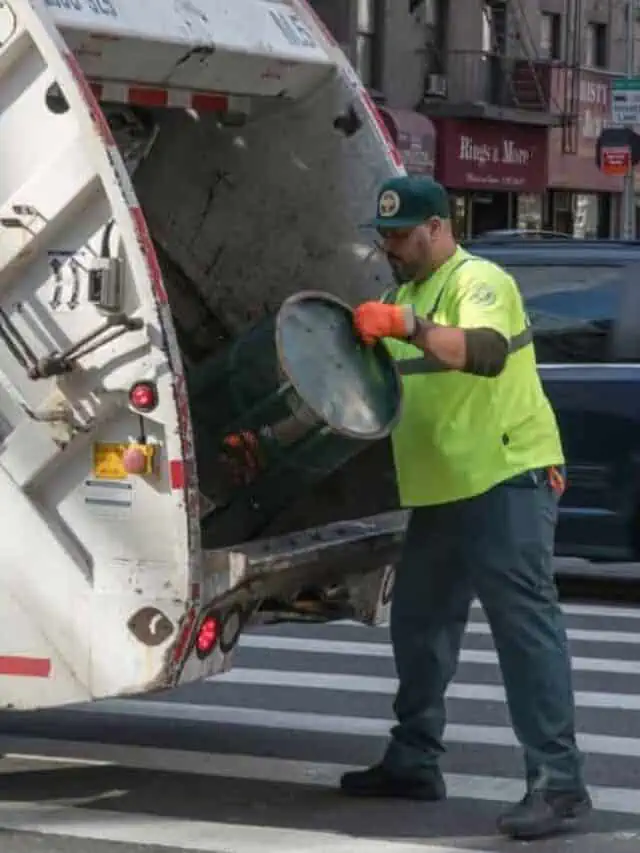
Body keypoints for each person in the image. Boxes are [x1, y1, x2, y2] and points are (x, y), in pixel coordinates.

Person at [339, 175, 591, 841]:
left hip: (506, 478)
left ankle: (559, 784)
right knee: (418, 627)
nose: (391, 246)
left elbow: (481, 353)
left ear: (438, 227)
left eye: (402, 234)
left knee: (524, 631)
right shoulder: (403, 295)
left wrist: (409, 326)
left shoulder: (479, 281)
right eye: (384, 236)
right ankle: (415, 758)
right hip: (442, 489)